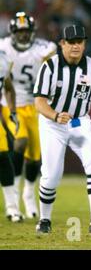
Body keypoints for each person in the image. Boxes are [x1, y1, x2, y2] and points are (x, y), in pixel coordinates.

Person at [33, 25, 91, 234]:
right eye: (71, 42)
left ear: (85, 43)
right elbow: (39, 101)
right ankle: (44, 219)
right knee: (51, 175)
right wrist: (54, 115)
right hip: (53, 124)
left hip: (80, 121)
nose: (76, 46)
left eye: (80, 41)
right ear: (62, 44)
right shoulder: (50, 66)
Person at [0, 12, 57, 219]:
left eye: (27, 31)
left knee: (35, 157)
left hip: (36, 105)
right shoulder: (3, 48)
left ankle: (28, 193)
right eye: (20, 31)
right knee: (20, 141)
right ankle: (13, 191)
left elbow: (54, 66)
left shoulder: (44, 49)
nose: (23, 36)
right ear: (13, 32)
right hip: (11, 104)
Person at [0, 49, 21, 222]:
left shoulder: (3, 60)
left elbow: (8, 87)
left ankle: (12, 207)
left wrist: (12, 112)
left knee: (3, 158)